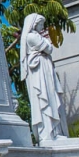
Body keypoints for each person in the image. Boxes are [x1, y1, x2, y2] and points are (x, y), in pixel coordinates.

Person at [21, 13, 69, 143]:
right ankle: (48, 133)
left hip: (45, 69)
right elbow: (49, 48)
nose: (42, 27)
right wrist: (47, 42)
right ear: (34, 24)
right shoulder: (31, 36)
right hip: (39, 72)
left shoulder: (37, 36)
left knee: (51, 97)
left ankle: (55, 131)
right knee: (44, 97)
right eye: (41, 24)